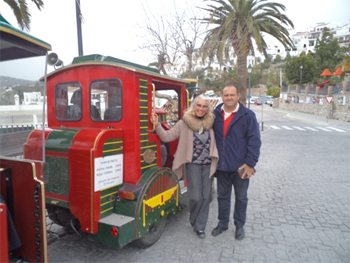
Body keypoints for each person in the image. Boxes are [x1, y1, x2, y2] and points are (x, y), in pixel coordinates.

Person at [151, 95, 218, 239]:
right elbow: (167, 137)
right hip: (192, 165)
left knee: (206, 197)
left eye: (204, 106)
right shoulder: (184, 123)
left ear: (208, 109)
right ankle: (194, 220)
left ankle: (200, 227)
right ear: (193, 106)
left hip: (208, 165)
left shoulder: (211, 122)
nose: (201, 109)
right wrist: (156, 125)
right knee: (195, 197)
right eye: (198, 105)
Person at [211, 84, 261, 240]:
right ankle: (222, 223)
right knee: (222, 197)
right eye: (226, 95)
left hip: (241, 167)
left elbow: (255, 141)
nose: (229, 98)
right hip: (222, 166)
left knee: (241, 198)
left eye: (232, 95)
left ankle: (239, 226)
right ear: (222, 96)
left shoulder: (247, 115)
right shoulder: (215, 115)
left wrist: (250, 163)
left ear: (238, 96)